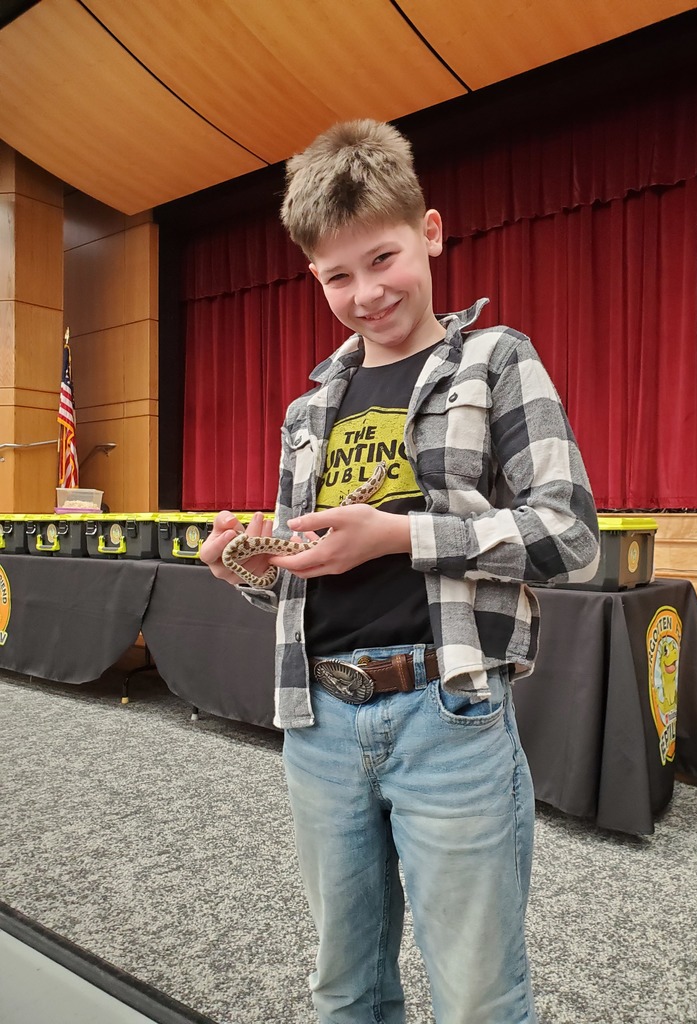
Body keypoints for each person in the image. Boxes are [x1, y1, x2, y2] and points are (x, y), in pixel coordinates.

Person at [200, 119, 600, 1024]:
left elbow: (570, 536)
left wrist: (398, 536)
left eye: (382, 259)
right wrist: (250, 565)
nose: (366, 292)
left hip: (448, 714)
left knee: (477, 996)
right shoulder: (308, 411)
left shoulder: (497, 361)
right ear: (313, 275)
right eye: (337, 276)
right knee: (343, 988)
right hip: (317, 721)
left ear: (430, 232)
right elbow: (305, 571)